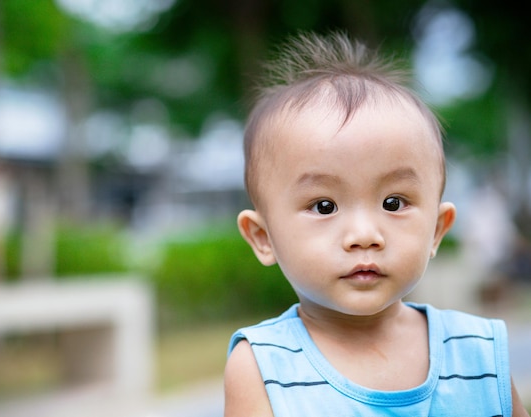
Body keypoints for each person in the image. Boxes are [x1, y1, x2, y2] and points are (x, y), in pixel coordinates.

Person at [223, 31, 529, 417]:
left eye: (393, 202)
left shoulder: (480, 353)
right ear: (263, 238)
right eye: (323, 206)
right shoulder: (263, 367)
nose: (364, 236)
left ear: (437, 229)